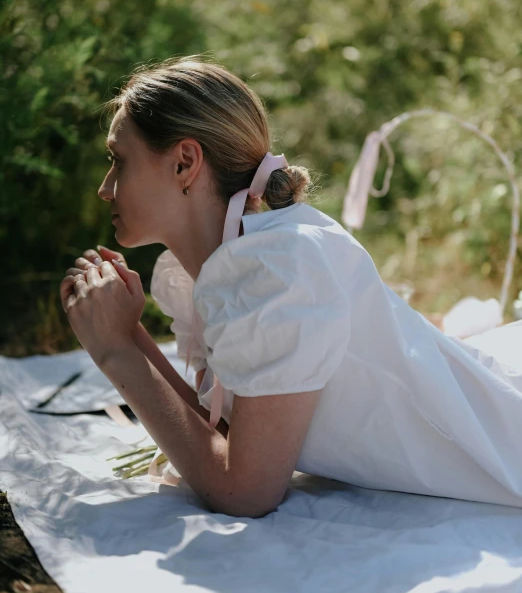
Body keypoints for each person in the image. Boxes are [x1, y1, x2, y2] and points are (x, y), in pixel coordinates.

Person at [60, 55, 522, 518]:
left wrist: (115, 351)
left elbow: (245, 491)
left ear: (185, 163)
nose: (106, 187)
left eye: (118, 161)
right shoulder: (226, 270)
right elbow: (221, 434)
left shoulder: (276, 272)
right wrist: (128, 335)